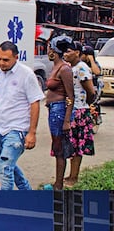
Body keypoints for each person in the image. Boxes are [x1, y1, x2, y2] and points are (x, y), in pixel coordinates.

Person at [0, 41, 44, 191]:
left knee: (5, 169)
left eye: (6, 60)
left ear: (16, 57)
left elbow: (35, 103)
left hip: (17, 130)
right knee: (8, 166)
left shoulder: (26, 74)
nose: (2, 63)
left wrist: (32, 133)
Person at [43, 36, 76, 190]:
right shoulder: (56, 67)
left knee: (59, 148)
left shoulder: (64, 69)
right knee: (57, 147)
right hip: (54, 110)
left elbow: (70, 96)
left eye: (50, 49)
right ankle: (58, 182)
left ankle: (58, 184)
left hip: (60, 110)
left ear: (54, 52)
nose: (48, 51)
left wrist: (67, 120)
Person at [63, 42, 98, 187]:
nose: (65, 54)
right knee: (72, 145)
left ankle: (74, 177)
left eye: (69, 51)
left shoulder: (82, 68)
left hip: (80, 110)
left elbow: (91, 91)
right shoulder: (71, 68)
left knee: (77, 147)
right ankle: (71, 174)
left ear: (77, 53)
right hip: (73, 109)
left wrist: (86, 105)